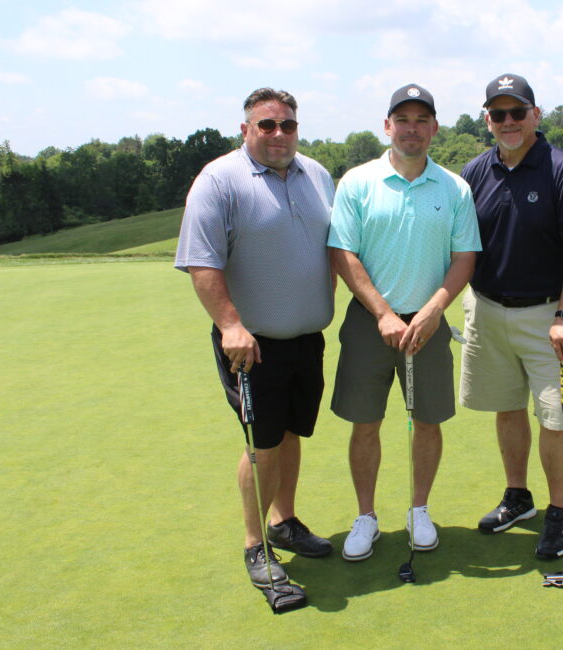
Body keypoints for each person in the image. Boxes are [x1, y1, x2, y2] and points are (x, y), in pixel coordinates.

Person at [175, 88, 335, 604]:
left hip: (306, 339)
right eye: (266, 125)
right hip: (251, 345)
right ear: (246, 129)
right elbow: (202, 263)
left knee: (291, 433)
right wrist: (230, 326)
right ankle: (255, 544)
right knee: (261, 444)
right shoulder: (219, 180)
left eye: (287, 124)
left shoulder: (317, 175)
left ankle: (284, 520)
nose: (278, 134)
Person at [328, 84, 481, 562]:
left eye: (422, 119)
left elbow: (464, 257)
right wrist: (384, 314)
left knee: (428, 422)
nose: (412, 128)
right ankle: (367, 517)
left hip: (429, 323)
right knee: (365, 423)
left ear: (434, 128)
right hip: (370, 322)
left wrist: (435, 308)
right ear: (387, 126)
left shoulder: (454, 187)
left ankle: (419, 509)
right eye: (403, 119)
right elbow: (343, 253)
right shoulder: (357, 181)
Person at [458, 74, 563, 559]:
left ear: (535, 115)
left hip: (546, 316)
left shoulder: (562, 170)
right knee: (506, 406)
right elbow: (459, 247)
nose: (508, 122)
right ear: (488, 121)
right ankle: (517, 496)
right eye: (498, 114)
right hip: (488, 309)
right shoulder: (474, 173)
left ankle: (559, 512)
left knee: (555, 417)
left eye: (518, 112)